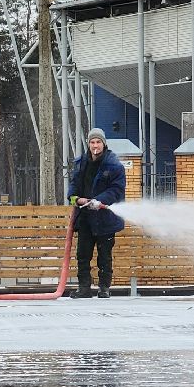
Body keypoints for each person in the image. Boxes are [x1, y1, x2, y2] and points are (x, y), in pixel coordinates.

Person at [69, 127, 126, 298]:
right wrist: (74, 198)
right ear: (88, 144)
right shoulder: (80, 163)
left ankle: (104, 288)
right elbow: (74, 185)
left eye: (98, 142)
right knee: (83, 255)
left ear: (104, 144)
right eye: (92, 142)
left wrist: (99, 200)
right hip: (85, 217)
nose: (95, 145)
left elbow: (117, 190)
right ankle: (84, 288)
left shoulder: (114, 165)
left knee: (104, 256)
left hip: (105, 218)